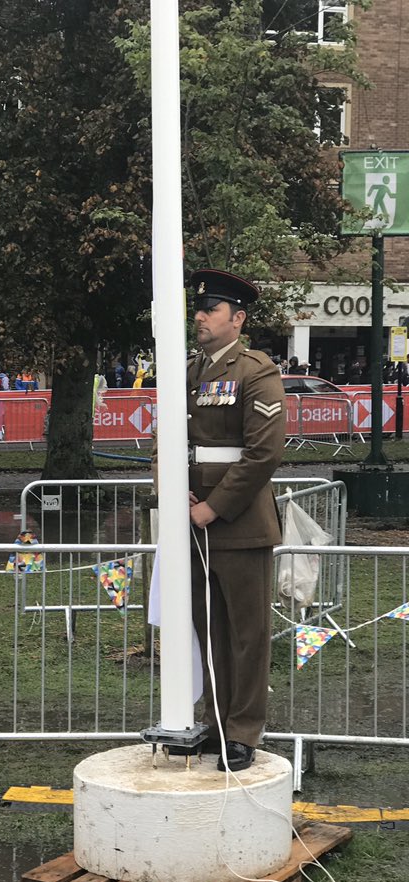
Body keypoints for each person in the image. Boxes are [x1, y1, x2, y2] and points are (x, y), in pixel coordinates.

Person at [177, 269, 285, 772]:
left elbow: (263, 453)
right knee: (210, 629)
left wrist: (212, 507)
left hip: (238, 524)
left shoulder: (256, 371)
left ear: (237, 318)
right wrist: (176, 495)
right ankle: (217, 722)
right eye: (199, 308)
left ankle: (243, 731)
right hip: (193, 520)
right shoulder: (192, 370)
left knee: (247, 633)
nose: (199, 315)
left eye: (211, 309)